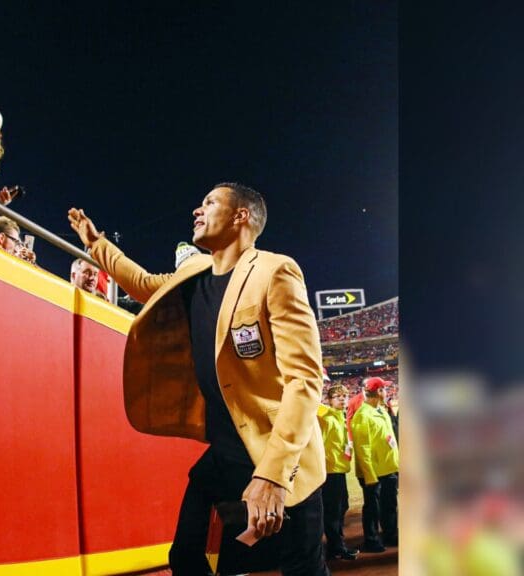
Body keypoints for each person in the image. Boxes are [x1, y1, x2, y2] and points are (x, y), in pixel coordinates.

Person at [68, 182, 330, 576]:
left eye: (209, 202)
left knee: (302, 568)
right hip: (224, 450)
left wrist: (273, 477)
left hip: (276, 452)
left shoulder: (275, 271)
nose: (197, 210)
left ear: (241, 216)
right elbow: (141, 284)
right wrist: (95, 243)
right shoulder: (193, 271)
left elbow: (305, 380)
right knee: (186, 557)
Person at [350, 376, 399, 553]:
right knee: (372, 508)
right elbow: (362, 448)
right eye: (384, 389)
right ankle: (371, 539)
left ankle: (390, 534)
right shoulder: (362, 415)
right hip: (374, 472)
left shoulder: (381, 411)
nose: (386, 391)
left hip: (388, 468)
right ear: (378, 392)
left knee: (390, 505)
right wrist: (370, 475)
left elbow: (389, 439)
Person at [318, 383, 359, 561]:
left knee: (342, 506)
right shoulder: (326, 418)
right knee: (333, 511)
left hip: (339, 469)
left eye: (344, 396)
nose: (342, 399)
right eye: (338, 396)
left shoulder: (338, 416)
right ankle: (335, 547)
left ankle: (336, 544)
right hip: (330, 471)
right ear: (329, 400)